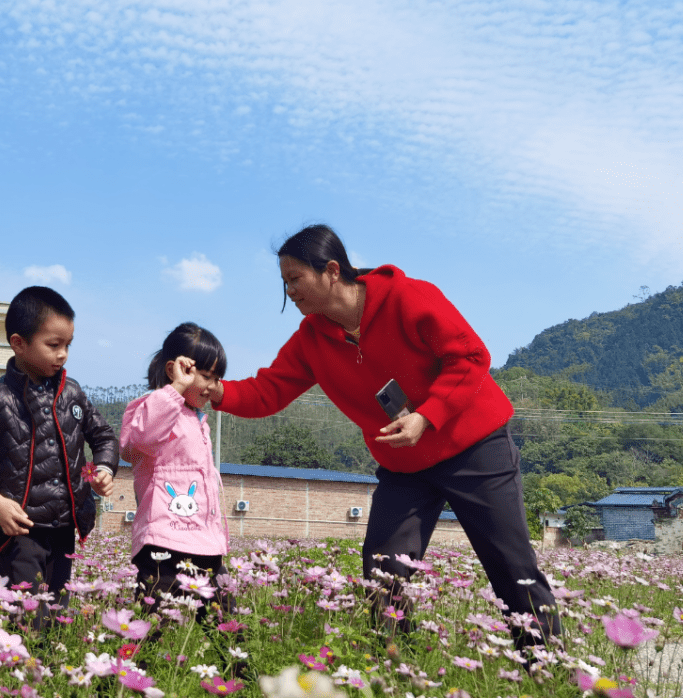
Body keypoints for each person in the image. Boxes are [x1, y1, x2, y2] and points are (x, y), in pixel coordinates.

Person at [210, 224, 561, 651]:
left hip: (475, 447)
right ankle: (400, 669)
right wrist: (214, 390)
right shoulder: (310, 341)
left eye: (295, 279)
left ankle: (548, 669)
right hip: (405, 466)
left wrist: (427, 416)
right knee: (383, 570)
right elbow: (268, 391)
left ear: (332, 271)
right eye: (284, 282)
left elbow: (470, 358)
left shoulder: (408, 298)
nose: (289, 292)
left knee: (512, 567)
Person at [0, 286, 119, 628]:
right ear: (19, 343)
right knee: (28, 613)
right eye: (53, 345)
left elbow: (103, 436)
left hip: (64, 524)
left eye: (68, 345)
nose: (63, 355)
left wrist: (102, 468)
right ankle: (24, 676)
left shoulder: (71, 391)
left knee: (58, 609)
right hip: (18, 526)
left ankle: (50, 674)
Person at [120, 322, 235, 622]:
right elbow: (141, 441)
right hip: (163, 541)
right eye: (206, 377)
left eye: (217, 378)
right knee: (150, 624)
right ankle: (139, 669)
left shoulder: (198, 419)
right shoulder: (148, 407)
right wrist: (175, 390)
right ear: (175, 370)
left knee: (224, 624)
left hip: (204, 541)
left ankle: (237, 672)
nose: (212, 386)